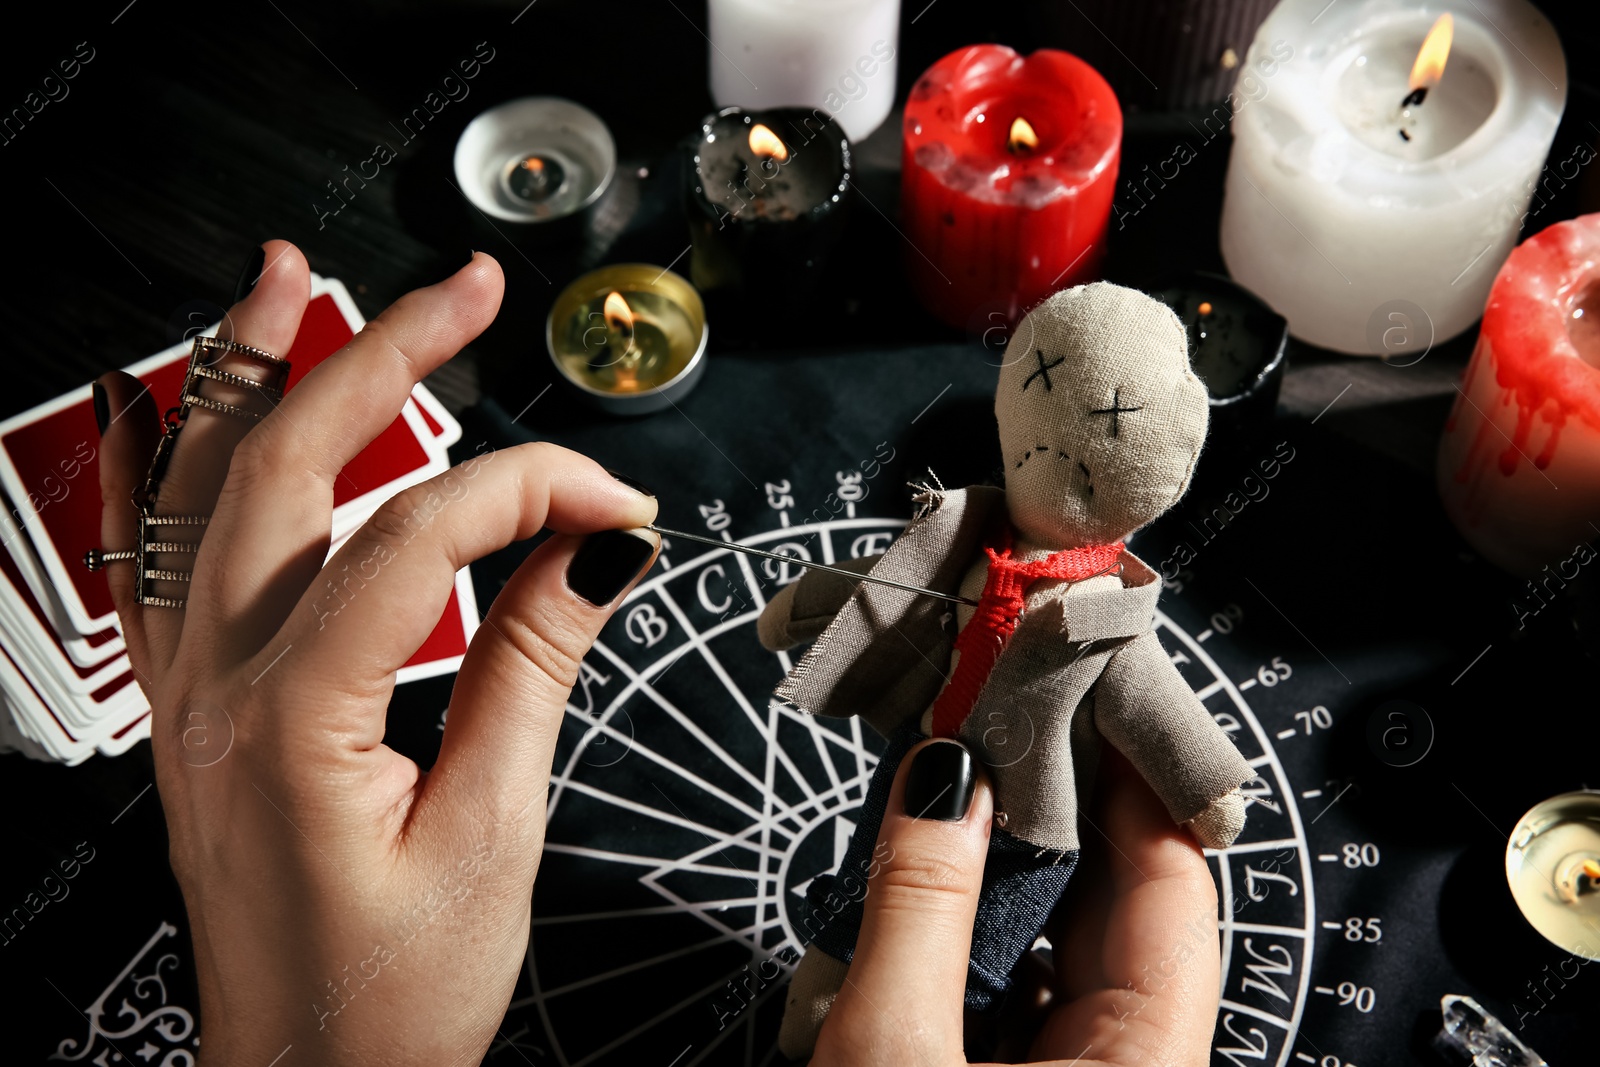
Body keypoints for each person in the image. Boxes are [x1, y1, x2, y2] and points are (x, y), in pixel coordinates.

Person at [93, 240, 1225, 1065]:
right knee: (864, 909)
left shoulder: (1102, 613)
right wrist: (807, 609)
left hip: (1026, 825)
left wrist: (1208, 786)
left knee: (969, 956)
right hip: (919, 758)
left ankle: (906, 1010)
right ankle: (827, 1002)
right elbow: (900, 597)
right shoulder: (964, 532)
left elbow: (1156, 708)